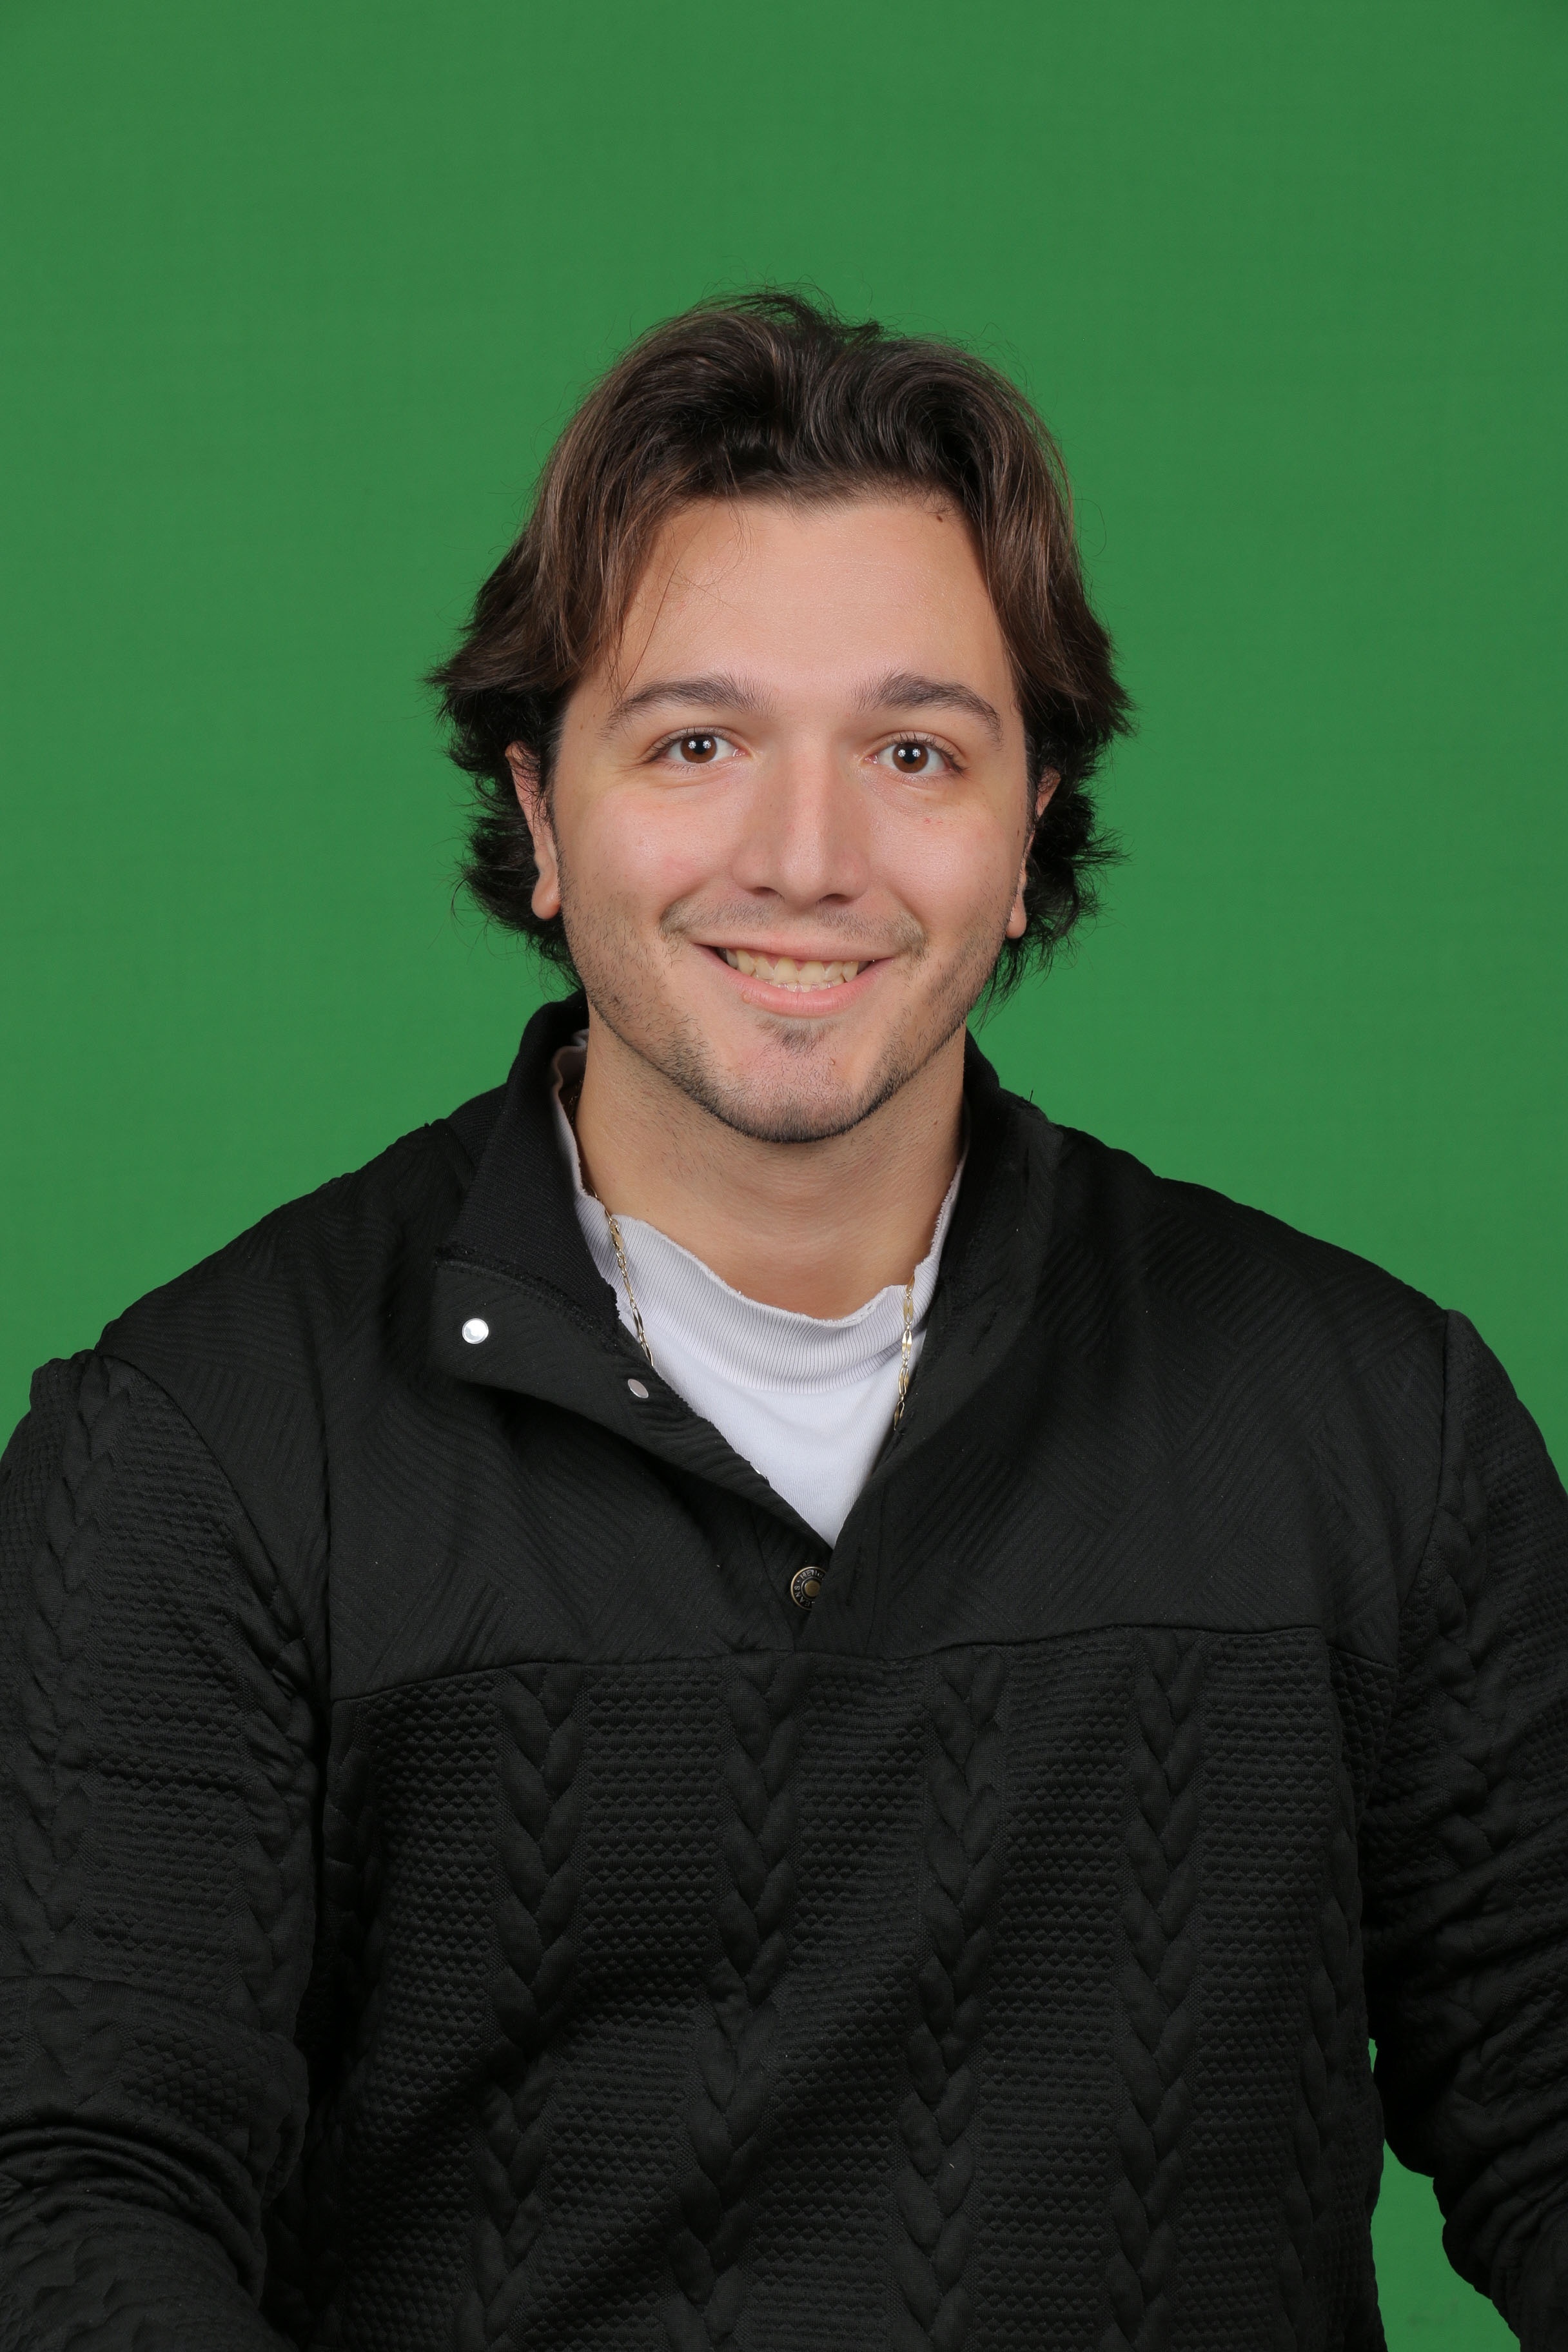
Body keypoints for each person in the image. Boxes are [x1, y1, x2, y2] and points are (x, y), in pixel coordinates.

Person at [1, 291, 1563, 2352]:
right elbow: (79, 2198)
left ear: (1031, 822)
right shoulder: (203, 1445)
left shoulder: (1377, 1425)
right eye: (698, 744)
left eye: (914, 752)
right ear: (542, 816)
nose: (808, 858)